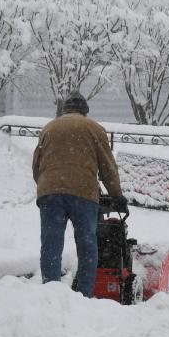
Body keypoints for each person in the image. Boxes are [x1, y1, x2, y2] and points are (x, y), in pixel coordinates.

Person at [31, 91, 122, 297]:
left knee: (51, 243)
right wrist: (116, 194)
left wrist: (49, 186)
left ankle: (50, 293)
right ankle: (84, 295)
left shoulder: (49, 128)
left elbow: (37, 165)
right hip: (83, 193)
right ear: (85, 112)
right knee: (87, 245)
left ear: (65, 110)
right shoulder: (94, 129)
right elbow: (107, 167)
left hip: (50, 193)